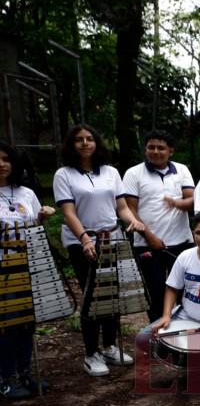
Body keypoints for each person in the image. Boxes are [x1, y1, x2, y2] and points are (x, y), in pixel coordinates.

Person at [54, 124, 144, 377]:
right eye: (79, 140)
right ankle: (91, 353)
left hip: (111, 238)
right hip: (82, 242)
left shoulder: (111, 172)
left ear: (97, 143)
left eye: (89, 139)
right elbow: (68, 212)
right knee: (92, 297)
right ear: (71, 144)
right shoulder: (64, 174)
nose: (85, 143)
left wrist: (132, 221)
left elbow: (122, 207)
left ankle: (110, 346)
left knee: (111, 295)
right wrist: (84, 238)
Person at [123, 129, 196, 322]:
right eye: (151, 147)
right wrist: (150, 237)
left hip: (182, 243)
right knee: (155, 294)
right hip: (146, 244)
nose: (155, 151)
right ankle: (158, 342)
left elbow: (192, 201)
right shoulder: (133, 173)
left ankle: (184, 338)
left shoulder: (182, 170)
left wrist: (177, 203)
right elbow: (130, 210)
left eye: (161, 148)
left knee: (184, 293)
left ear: (170, 151)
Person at [0, 142, 54, 399]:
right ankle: (5, 377)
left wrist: (42, 217)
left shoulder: (25, 193)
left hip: (28, 265)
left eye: (5, 159)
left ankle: (24, 372)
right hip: (2, 270)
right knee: (6, 324)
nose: (1, 164)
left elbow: (33, 227)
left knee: (26, 322)